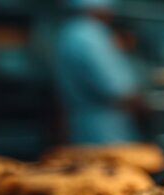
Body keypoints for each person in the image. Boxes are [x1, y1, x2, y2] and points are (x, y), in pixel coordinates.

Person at [54, 0, 144, 144]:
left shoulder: (69, 31)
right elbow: (116, 89)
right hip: (105, 128)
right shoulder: (90, 35)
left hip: (83, 123)